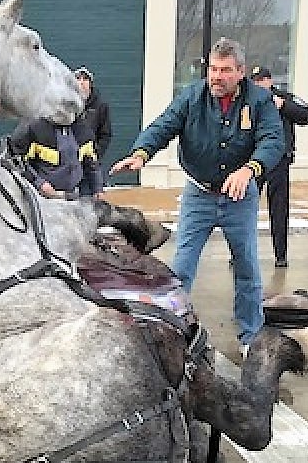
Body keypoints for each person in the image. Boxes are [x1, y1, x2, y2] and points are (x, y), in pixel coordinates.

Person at [110, 38, 284, 351]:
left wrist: (250, 170)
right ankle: (170, 330)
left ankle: (250, 337)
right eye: (213, 69)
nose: (217, 76)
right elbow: (164, 126)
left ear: (240, 72)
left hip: (239, 197)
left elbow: (272, 140)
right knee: (182, 267)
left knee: (247, 267)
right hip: (199, 194)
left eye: (225, 70)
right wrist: (141, 152)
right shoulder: (191, 97)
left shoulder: (259, 101)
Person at [249, 65, 308, 268]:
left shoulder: (283, 97)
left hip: (279, 160)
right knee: (246, 208)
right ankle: (241, 253)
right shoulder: (247, 100)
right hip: (254, 160)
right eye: (255, 81)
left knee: (279, 208)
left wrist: (284, 106)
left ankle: (280, 255)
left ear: (270, 81)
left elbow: (306, 116)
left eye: (262, 80)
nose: (259, 84)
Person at [7, 115, 102, 198]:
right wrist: (39, 183)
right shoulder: (33, 126)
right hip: (39, 197)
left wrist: (97, 190)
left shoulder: (84, 129)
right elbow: (17, 160)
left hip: (74, 196)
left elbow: (92, 165)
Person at [73, 66, 112, 196]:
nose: (81, 82)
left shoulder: (101, 106)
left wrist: (96, 153)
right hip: (69, 165)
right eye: (78, 78)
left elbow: (105, 134)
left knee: (90, 199)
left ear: (90, 83)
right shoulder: (68, 106)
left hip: (90, 164)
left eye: (85, 79)